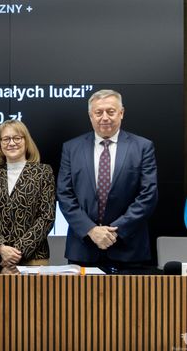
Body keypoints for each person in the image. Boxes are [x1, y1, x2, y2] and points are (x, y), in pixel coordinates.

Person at [57, 89, 158, 268]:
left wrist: (115, 231)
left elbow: (148, 195)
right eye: (98, 112)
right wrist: (91, 230)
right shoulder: (71, 148)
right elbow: (64, 195)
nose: (105, 117)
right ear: (90, 115)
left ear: (121, 113)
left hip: (129, 249)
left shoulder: (142, 147)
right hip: (83, 249)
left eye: (111, 111)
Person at [0, 120, 56, 269]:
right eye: (6, 139)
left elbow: (47, 217)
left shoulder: (43, 172)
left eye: (17, 138)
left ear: (26, 141)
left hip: (33, 258)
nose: (11, 143)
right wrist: (1, 248)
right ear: (0, 144)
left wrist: (16, 252)